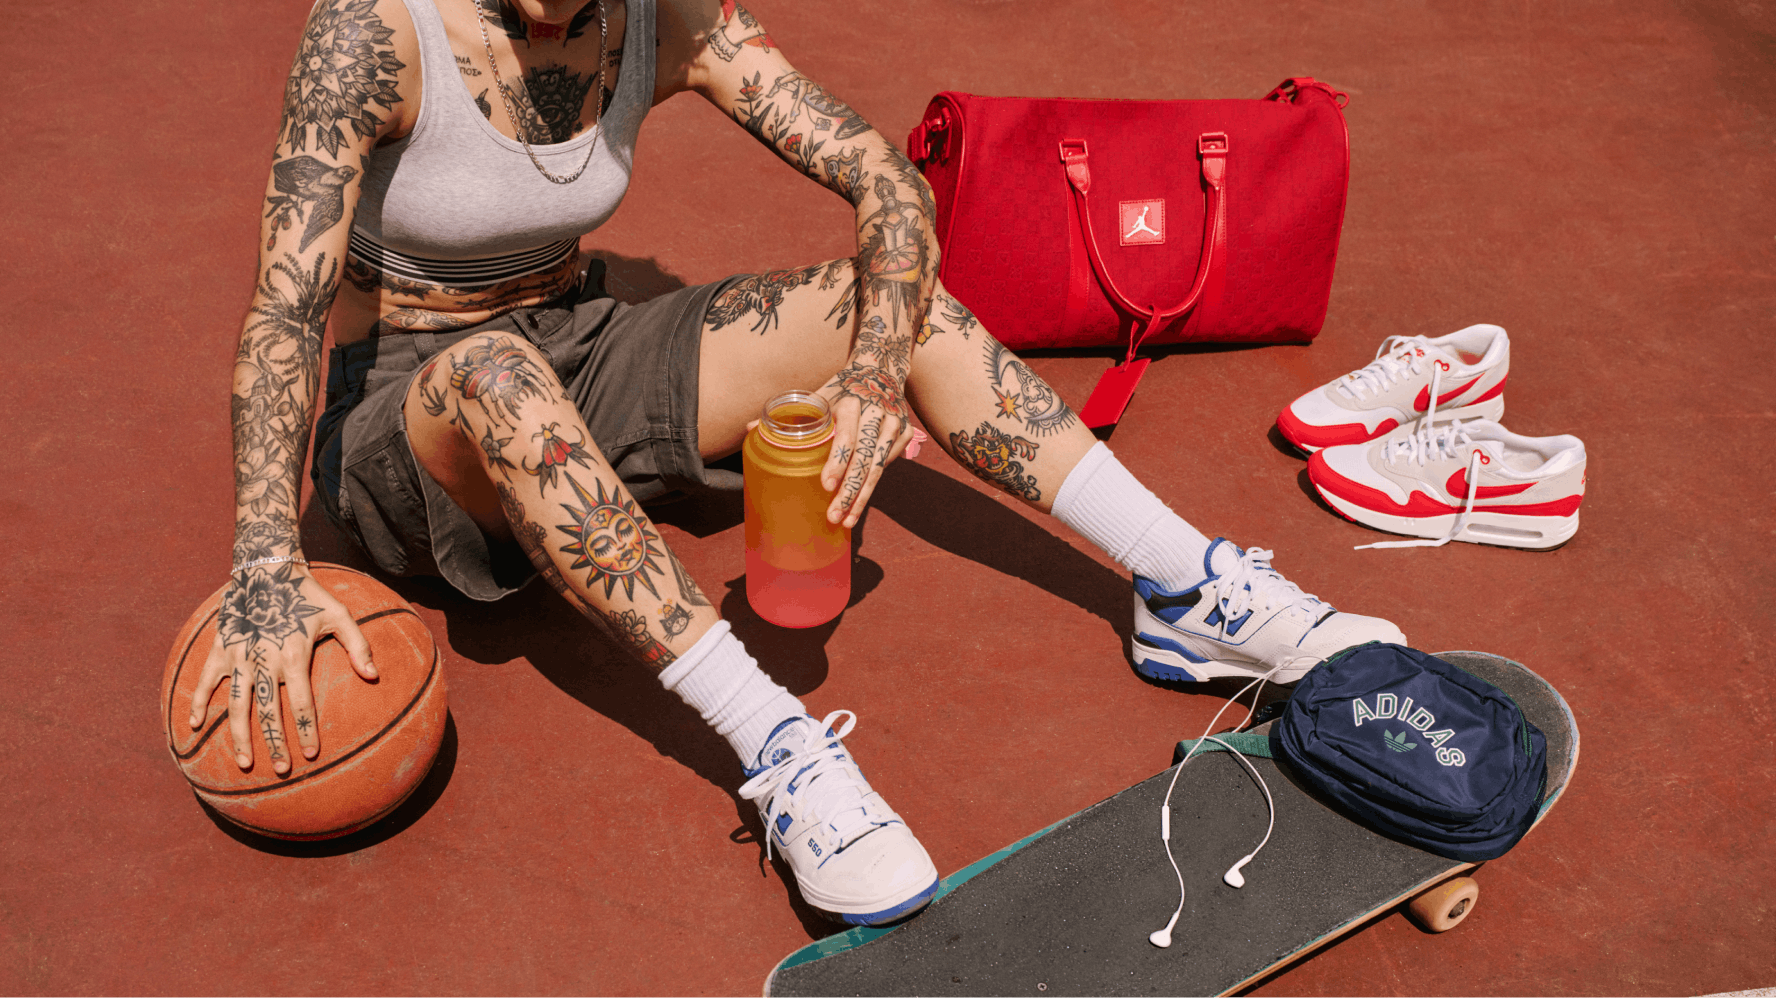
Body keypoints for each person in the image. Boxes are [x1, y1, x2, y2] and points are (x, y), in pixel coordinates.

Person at [192, 0, 1406, 926]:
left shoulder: (666, 17)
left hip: (575, 340)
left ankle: (1185, 586)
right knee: (500, 378)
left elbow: (886, 180)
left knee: (892, 301)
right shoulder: (374, 34)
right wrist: (264, 562)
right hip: (412, 410)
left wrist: (873, 373)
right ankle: (777, 745)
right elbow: (283, 310)